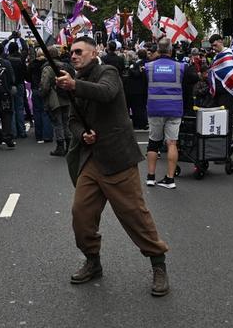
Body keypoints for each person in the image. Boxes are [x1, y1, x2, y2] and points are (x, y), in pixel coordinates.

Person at [56, 36, 170, 297]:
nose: (73, 56)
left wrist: (74, 85)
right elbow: (73, 120)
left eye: (79, 51)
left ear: (93, 51)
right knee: (81, 215)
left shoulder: (107, 71)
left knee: (134, 216)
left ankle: (158, 263)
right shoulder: (75, 82)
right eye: (71, 52)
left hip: (117, 158)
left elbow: (106, 93)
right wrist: (82, 133)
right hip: (91, 161)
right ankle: (92, 261)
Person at [144, 38, 198, 189]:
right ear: (170, 50)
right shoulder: (181, 67)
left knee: (153, 143)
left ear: (158, 50)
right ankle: (170, 179)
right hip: (174, 109)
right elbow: (194, 78)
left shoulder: (148, 66)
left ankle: (150, 177)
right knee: (172, 143)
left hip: (155, 108)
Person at [39, 45, 73, 156]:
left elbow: (44, 86)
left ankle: (60, 147)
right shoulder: (66, 66)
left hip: (55, 98)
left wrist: (42, 95)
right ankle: (69, 145)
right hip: (66, 97)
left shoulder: (47, 68)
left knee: (57, 122)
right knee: (66, 122)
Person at [29, 47, 52, 144]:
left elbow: (28, 76)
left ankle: (38, 135)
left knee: (37, 112)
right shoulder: (48, 64)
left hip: (35, 88)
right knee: (46, 112)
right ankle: (47, 135)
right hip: (46, 88)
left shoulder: (32, 64)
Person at [7, 43, 28, 138]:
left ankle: (13, 132)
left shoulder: (6, 60)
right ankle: (22, 131)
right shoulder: (20, 60)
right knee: (20, 108)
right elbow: (25, 72)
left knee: (12, 109)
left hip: (10, 85)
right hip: (19, 84)